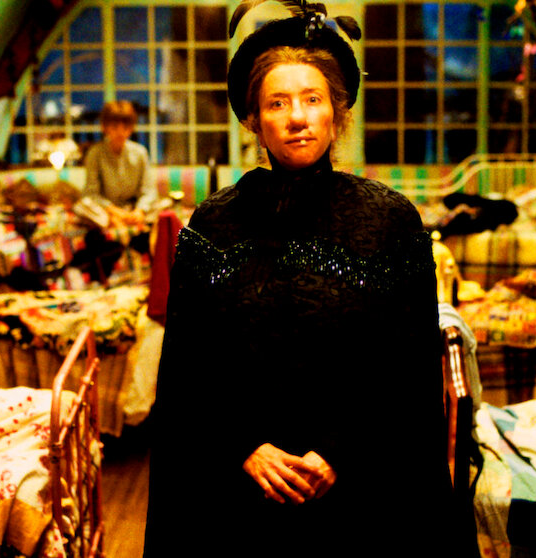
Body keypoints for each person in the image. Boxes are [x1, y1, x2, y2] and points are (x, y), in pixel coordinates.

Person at [144, 5, 452, 556]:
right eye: (278, 103)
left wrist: (340, 451)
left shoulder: (390, 222)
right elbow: (188, 370)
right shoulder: (213, 226)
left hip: (364, 497)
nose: (297, 118)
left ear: (337, 111)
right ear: (253, 120)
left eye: (312, 99)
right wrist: (244, 447)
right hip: (237, 502)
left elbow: (410, 370)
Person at [77, 100, 156, 281]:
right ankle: (114, 222)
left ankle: (129, 222)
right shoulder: (95, 153)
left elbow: (149, 190)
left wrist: (139, 211)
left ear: (131, 128)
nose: (120, 132)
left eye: (125, 127)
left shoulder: (140, 153)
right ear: (105, 127)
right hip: (106, 213)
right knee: (82, 205)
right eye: (114, 127)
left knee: (164, 207)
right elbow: (90, 193)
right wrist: (114, 212)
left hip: (132, 209)